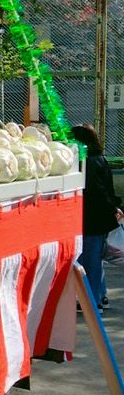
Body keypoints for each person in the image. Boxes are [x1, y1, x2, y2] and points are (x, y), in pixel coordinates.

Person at [72, 124, 123, 311]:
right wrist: (113, 206)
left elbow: (96, 191)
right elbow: (106, 189)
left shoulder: (88, 163)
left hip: (91, 218)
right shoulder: (99, 158)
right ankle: (101, 295)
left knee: (90, 260)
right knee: (95, 259)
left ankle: (94, 303)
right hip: (100, 217)